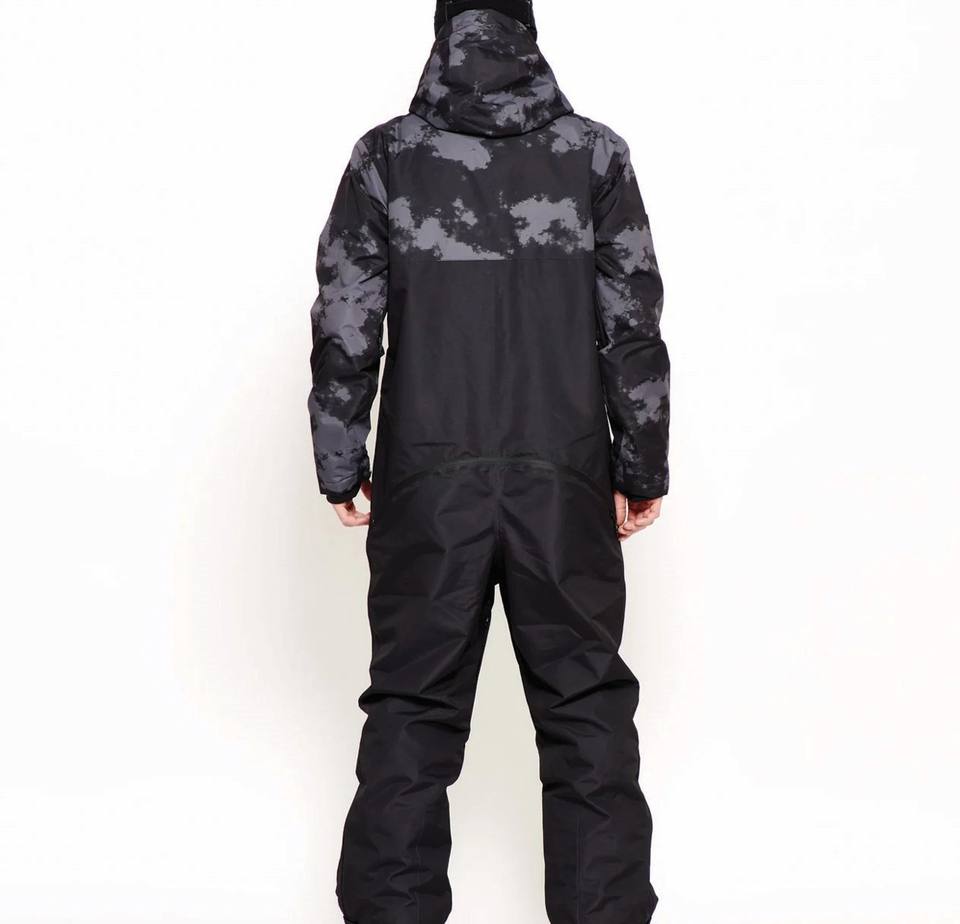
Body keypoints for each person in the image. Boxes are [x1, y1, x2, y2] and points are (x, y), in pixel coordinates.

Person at [307, 1, 669, 921]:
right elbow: (632, 328)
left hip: (428, 481)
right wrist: (640, 467)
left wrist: (342, 461)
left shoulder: (387, 158)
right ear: (529, 32)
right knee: (584, 710)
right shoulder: (594, 156)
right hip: (565, 479)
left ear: (442, 33)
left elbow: (346, 322)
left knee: (412, 708)